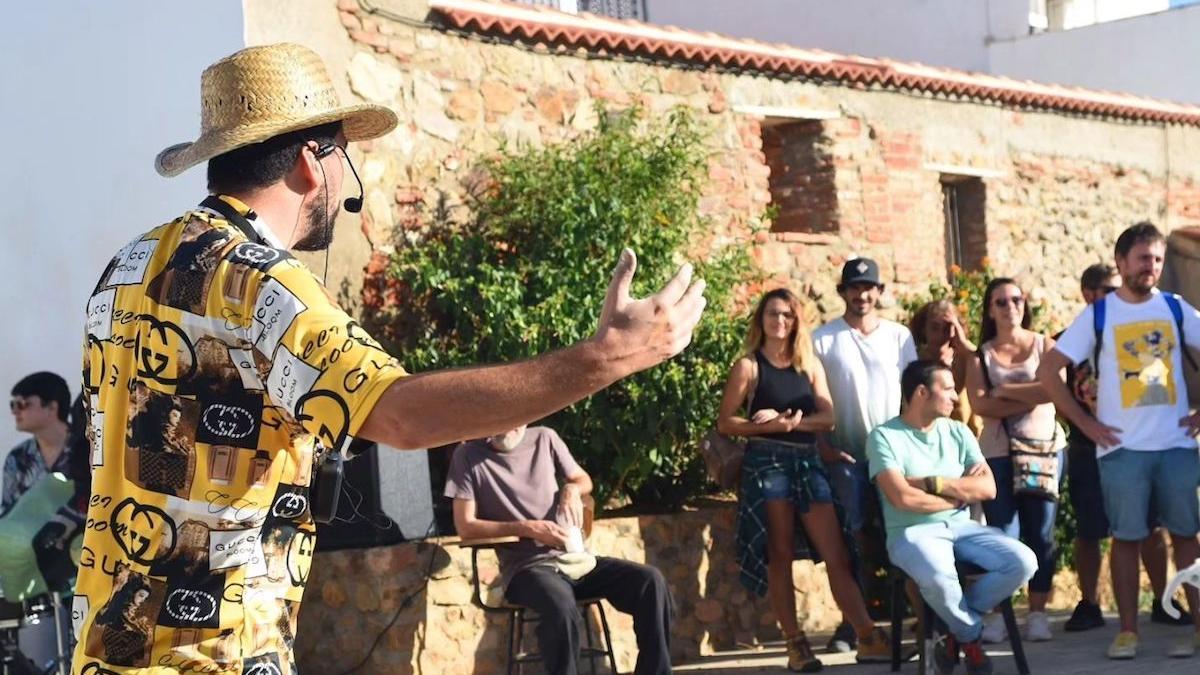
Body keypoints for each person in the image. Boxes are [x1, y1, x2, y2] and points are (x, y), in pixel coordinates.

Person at [74, 43, 706, 674]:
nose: (353, 179)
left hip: (104, 652)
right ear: (311, 163)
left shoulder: (127, 267)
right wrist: (608, 357)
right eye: (346, 155)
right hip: (216, 658)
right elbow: (400, 416)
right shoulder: (263, 281)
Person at [1037, 222, 1200, 660]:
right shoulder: (1100, 314)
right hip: (1122, 450)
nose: (1151, 267)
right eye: (1144, 258)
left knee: (1187, 537)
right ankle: (1127, 631)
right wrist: (1085, 426)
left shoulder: (1176, 308)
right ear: (1122, 261)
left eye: (1158, 259)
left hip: (1176, 445)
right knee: (1126, 539)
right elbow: (1047, 372)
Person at [719, 288, 900, 672]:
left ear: (796, 320)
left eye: (787, 314)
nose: (779, 321)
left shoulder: (809, 364)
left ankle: (867, 636)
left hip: (807, 460)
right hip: (766, 463)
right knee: (780, 555)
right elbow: (726, 422)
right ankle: (795, 645)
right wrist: (758, 424)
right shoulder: (749, 366)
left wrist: (790, 422)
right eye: (772, 314)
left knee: (836, 551)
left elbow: (828, 418)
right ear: (760, 319)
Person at [446, 425, 672, 675]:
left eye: (514, 418)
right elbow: (465, 525)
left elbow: (582, 479)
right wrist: (528, 529)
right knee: (560, 606)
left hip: (575, 558)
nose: (507, 426)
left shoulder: (545, 437)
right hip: (527, 569)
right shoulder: (466, 455)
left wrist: (571, 489)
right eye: (498, 419)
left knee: (649, 581)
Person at [869, 360, 1038, 675]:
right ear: (921, 392)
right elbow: (901, 498)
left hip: (963, 527)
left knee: (1024, 562)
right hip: (911, 533)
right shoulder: (884, 437)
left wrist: (934, 484)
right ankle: (970, 636)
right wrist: (958, 496)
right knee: (938, 580)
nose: (956, 397)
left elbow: (987, 488)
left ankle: (953, 632)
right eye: (947, 389)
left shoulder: (958, 431)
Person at [1058, 264, 1185, 632]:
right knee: (1090, 528)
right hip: (1087, 445)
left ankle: (1163, 600)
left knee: (1150, 526)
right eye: (1104, 288)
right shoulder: (1071, 337)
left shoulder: (1139, 331)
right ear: (1087, 293)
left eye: (1115, 287)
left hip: (1137, 444)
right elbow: (1053, 384)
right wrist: (1084, 424)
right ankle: (1090, 603)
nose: (1112, 295)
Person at [812, 257, 918, 652]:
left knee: (903, 534)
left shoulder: (899, 336)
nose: (862, 295)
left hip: (892, 457)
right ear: (843, 292)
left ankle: (919, 618)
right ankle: (853, 625)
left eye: (868, 287)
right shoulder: (822, 339)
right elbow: (813, 399)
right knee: (850, 541)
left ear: (879, 292)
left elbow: (913, 394)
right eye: (854, 288)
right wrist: (824, 447)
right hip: (845, 457)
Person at [964, 278, 1064, 643]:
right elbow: (980, 404)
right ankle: (999, 614)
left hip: (1042, 450)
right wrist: (1034, 394)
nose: (1010, 307)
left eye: (1016, 300)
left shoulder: (1044, 345)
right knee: (1002, 533)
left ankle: (1037, 613)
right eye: (1001, 302)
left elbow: (1057, 387)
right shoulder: (981, 355)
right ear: (990, 309)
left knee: (1040, 532)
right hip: (997, 452)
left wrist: (1004, 390)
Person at [4, 372, 73, 515]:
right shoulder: (17, 457)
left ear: (52, 407)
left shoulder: (89, 449)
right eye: (13, 405)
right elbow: (9, 516)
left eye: (22, 404)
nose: (15, 411)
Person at [910, 300, 980, 435]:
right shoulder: (916, 361)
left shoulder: (965, 358)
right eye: (935, 327)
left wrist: (963, 342)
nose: (941, 334)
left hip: (964, 439)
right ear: (924, 329)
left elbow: (985, 364)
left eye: (948, 327)